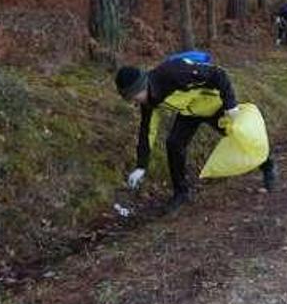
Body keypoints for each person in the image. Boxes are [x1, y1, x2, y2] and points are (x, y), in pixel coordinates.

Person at [115, 54, 278, 211]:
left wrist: (230, 106)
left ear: (142, 86)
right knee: (174, 144)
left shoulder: (173, 73)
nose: (134, 102)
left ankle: (267, 164)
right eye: (130, 99)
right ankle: (181, 193)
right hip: (190, 113)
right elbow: (147, 131)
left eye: (134, 97)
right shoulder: (148, 101)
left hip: (215, 105)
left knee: (240, 136)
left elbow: (218, 74)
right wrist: (141, 166)